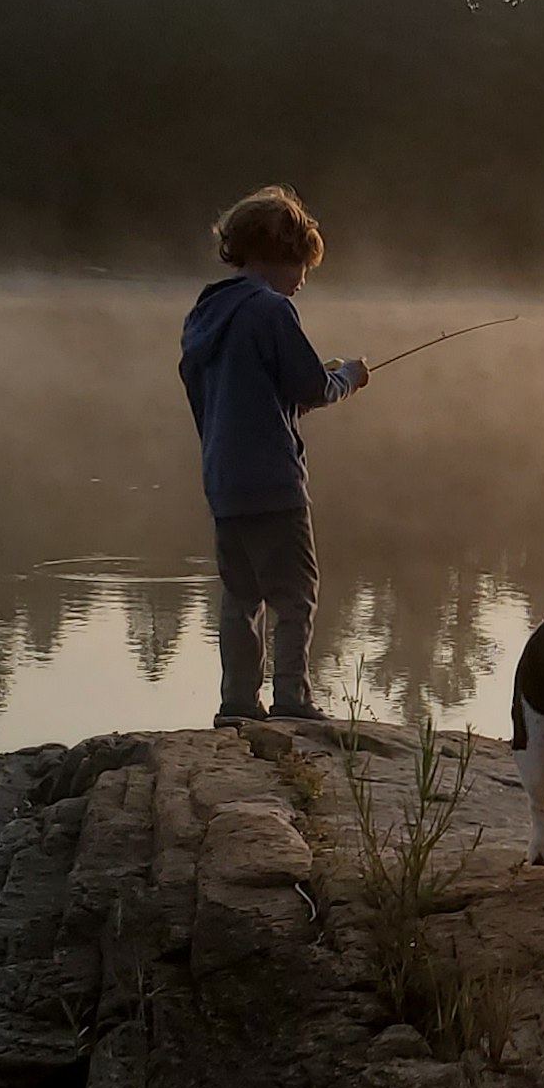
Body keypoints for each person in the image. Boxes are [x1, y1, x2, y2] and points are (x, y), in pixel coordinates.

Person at [178, 186, 369, 723]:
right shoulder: (272, 310)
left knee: (240, 597)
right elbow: (312, 387)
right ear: (286, 252)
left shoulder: (206, 312)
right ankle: (292, 700)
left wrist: (284, 404)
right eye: (302, 267)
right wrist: (349, 376)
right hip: (273, 481)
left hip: (223, 480)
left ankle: (237, 702)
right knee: (295, 595)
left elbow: (236, 393)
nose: (302, 281)